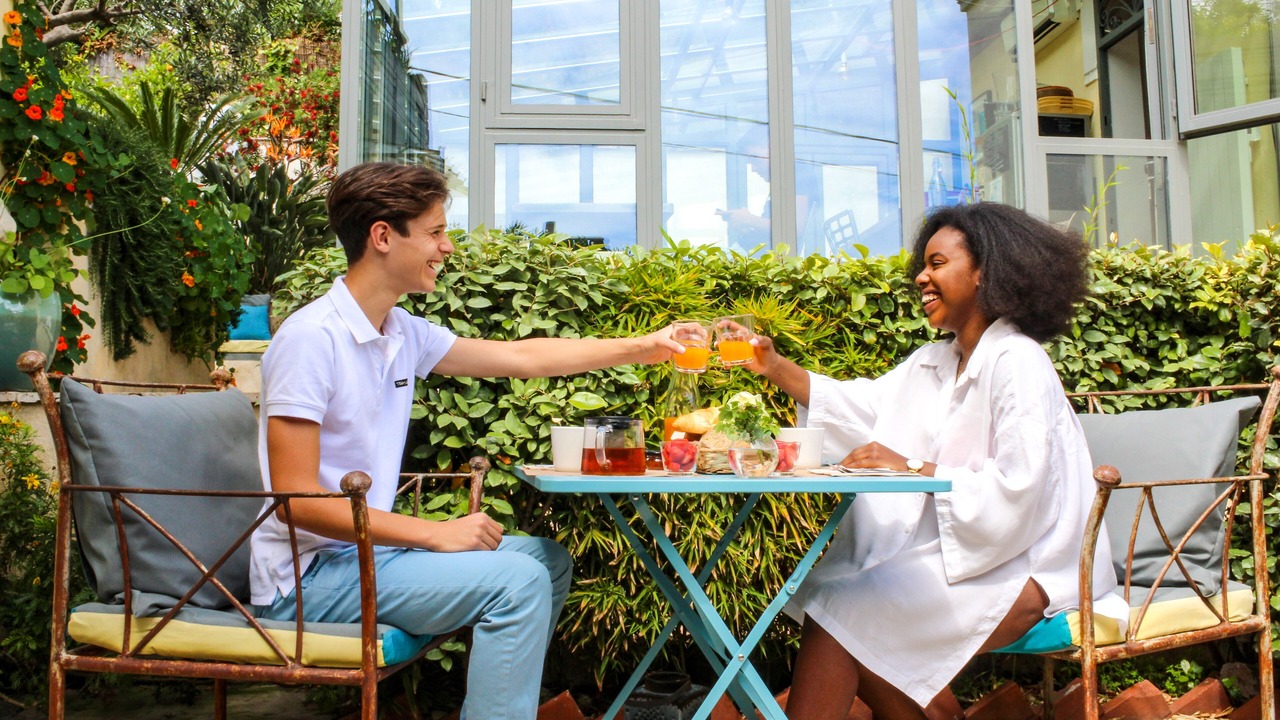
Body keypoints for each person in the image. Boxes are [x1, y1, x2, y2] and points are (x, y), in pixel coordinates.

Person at [249, 162, 682, 720]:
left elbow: (519, 358)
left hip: (364, 556)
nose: (446, 247)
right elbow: (296, 502)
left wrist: (644, 346)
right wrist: (434, 535)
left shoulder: (399, 332)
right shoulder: (311, 339)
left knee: (544, 561)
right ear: (383, 236)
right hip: (306, 581)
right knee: (517, 580)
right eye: (434, 232)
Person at [743, 202, 1129, 720]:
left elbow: (1022, 487)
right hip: (966, 559)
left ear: (987, 272)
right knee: (838, 602)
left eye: (938, 263)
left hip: (1032, 570)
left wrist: (912, 467)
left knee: (843, 611)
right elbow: (862, 409)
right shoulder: (935, 359)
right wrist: (772, 365)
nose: (922, 276)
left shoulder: (1018, 361)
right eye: (923, 265)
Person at [716, 125, 822, 254]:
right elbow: (772, 232)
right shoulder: (783, 181)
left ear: (772, 148)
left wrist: (749, 219)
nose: (753, 169)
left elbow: (794, 228)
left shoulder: (797, 173)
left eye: (755, 159)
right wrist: (746, 227)